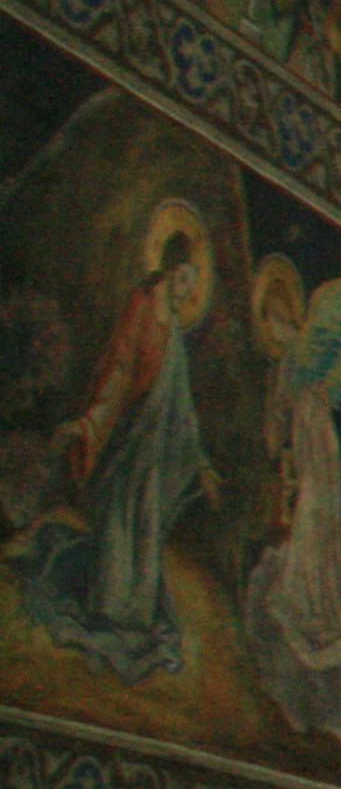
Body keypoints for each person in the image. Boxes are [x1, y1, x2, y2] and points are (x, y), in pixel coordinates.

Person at [20, 206, 214, 685]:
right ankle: (108, 612)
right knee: (120, 525)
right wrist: (88, 424)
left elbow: (184, 409)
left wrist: (202, 463)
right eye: (185, 277)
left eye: (194, 280)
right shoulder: (143, 307)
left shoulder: (177, 334)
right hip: (128, 444)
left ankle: (133, 618)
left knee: (145, 529)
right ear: (169, 270)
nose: (189, 288)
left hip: (157, 455)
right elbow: (119, 371)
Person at [240, 258, 341, 765]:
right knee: (314, 522)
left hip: (317, 447)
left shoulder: (301, 355)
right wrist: (273, 441)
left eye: (276, 319)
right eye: (269, 322)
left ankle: (316, 598)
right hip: (312, 447)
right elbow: (275, 415)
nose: (275, 328)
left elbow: (279, 412)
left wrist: (276, 435)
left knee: (320, 521)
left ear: (287, 320)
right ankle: (311, 592)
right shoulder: (292, 361)